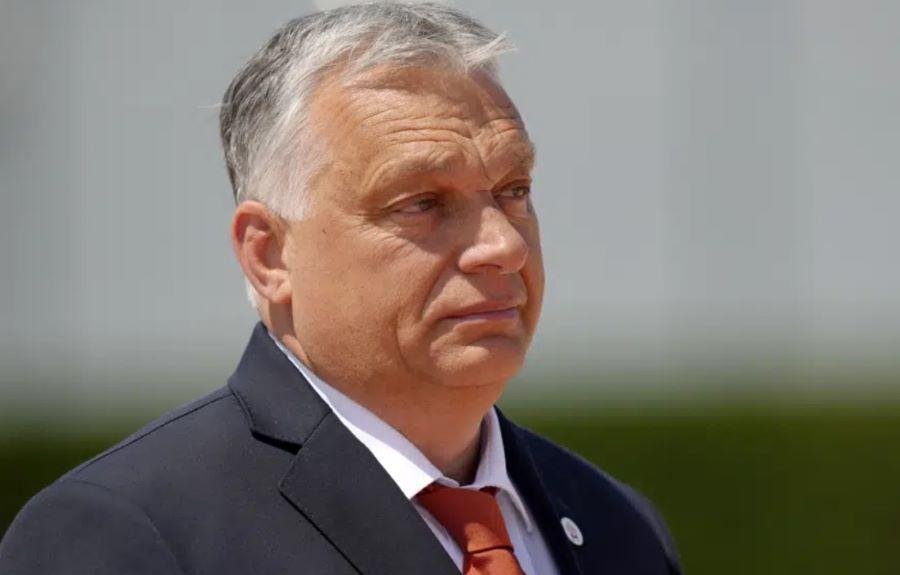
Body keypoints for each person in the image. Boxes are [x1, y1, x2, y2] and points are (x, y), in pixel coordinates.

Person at [0, 4, 681, 574]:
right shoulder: (127, 535)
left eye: (513, 190)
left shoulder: (617, 523)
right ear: (269, 254)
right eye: (422, 202)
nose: (503, 246)